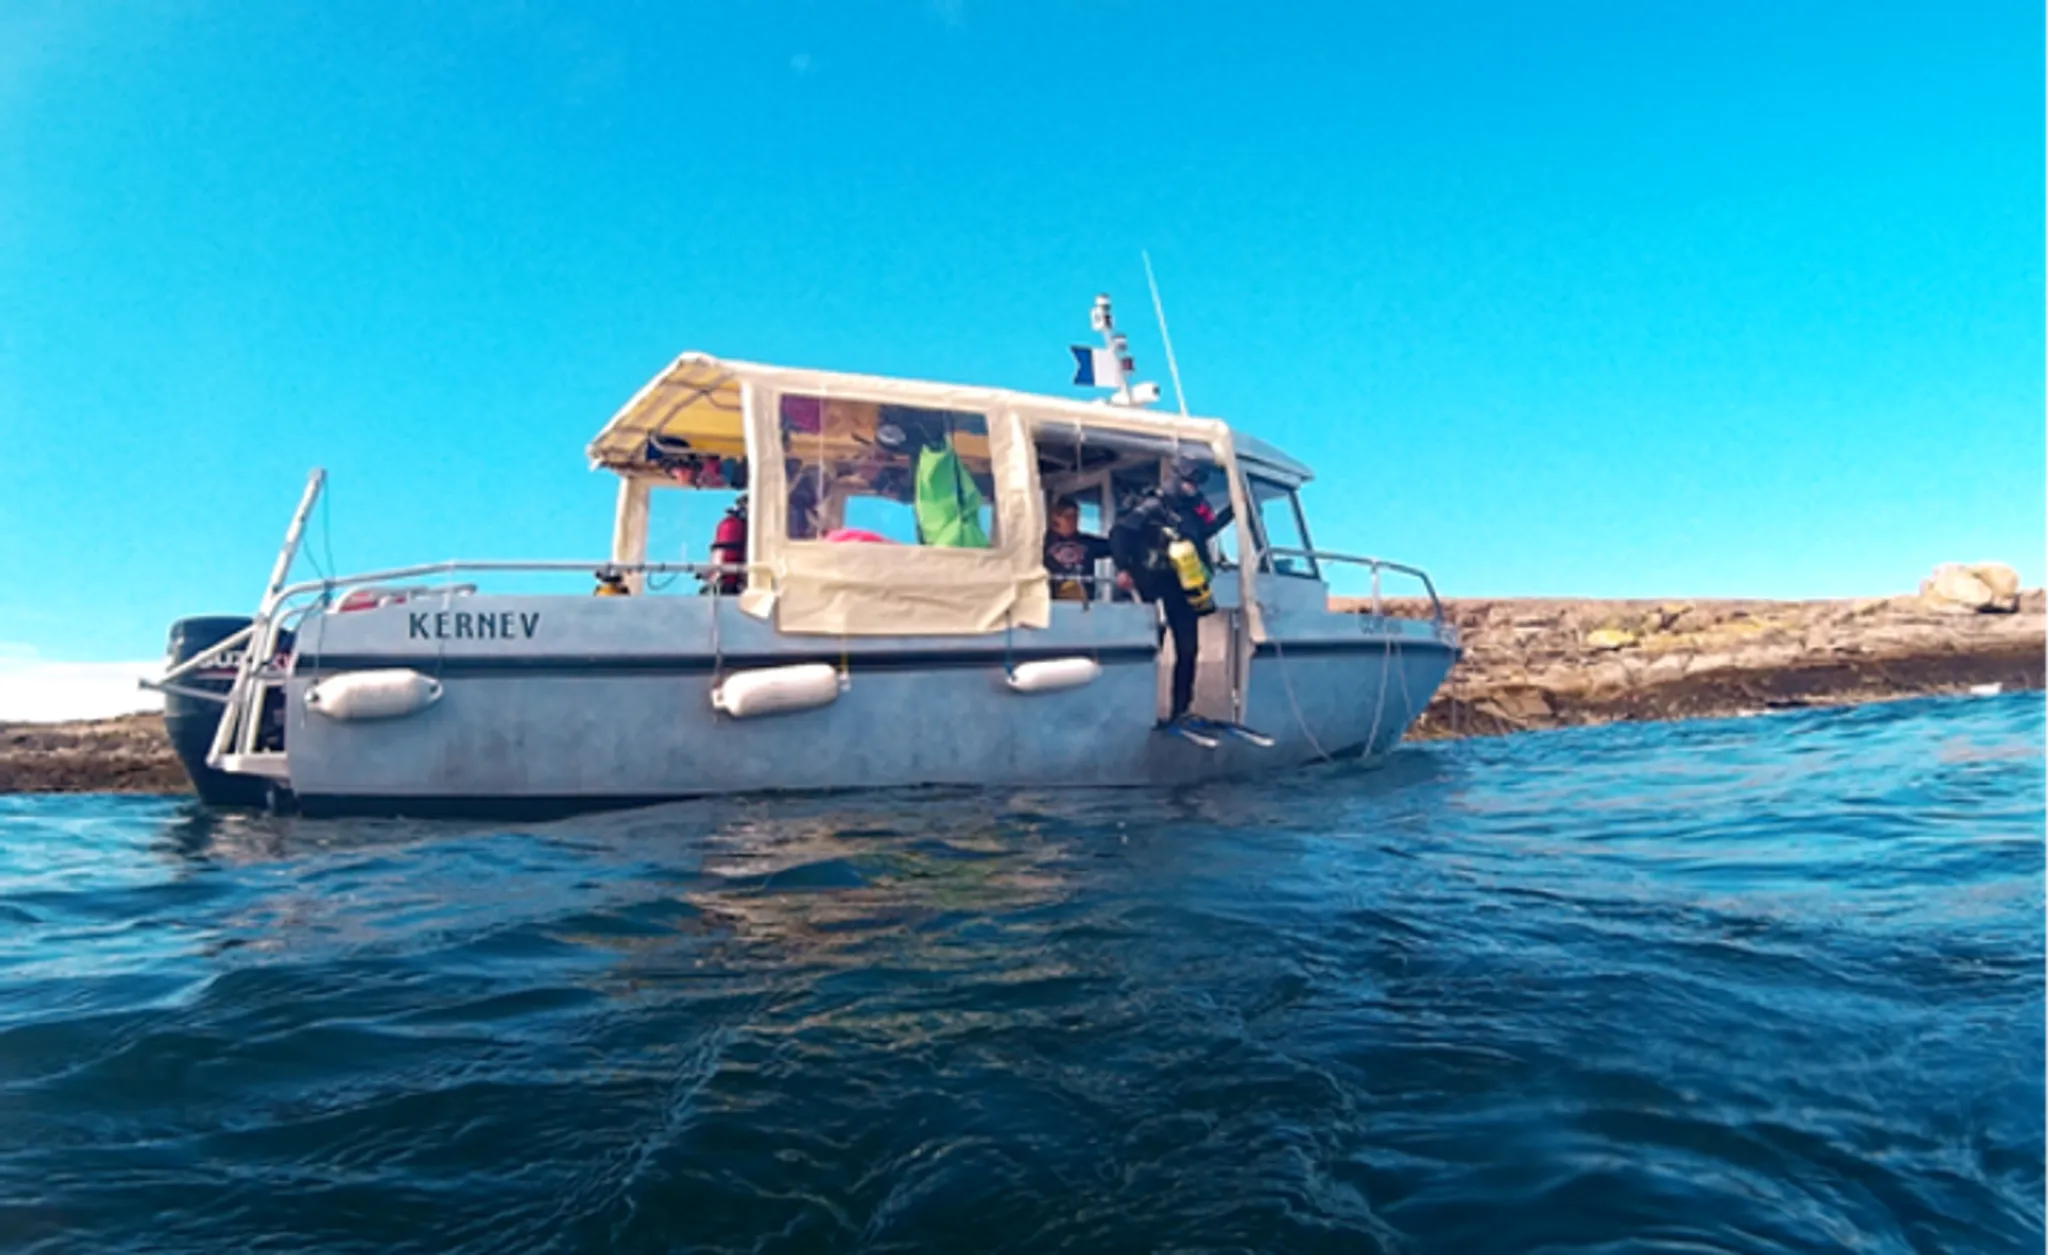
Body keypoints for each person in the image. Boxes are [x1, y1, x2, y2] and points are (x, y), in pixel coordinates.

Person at [1109, 456, 1230, 728]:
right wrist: (1123, 569)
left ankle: (1181, 710)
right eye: (1188, 482)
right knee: (1153, 647)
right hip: (1153, 585)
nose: (1193, 488)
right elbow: (1119, 533)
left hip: (1183, 588)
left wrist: (1235, 510)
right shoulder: (1152, 506)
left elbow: (1208, 530)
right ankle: (1141, 712)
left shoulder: (1195, 509)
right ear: (1176, 478)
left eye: (1197, 484)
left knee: (1188, 649)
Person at [1043, 496, 1112, 602]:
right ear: (1056, 518)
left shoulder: (1087, 543)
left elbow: (1113, 547)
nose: (1073, 521)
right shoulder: (1042, 544)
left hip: (1084, 604)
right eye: (1068, 517)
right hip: (1052, 603)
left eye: (1076, 516)